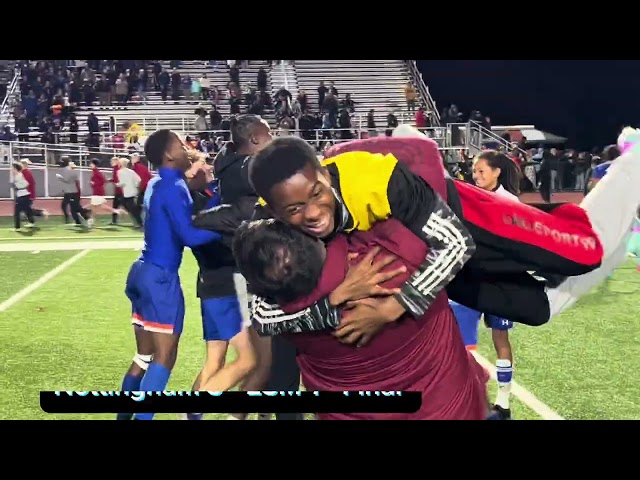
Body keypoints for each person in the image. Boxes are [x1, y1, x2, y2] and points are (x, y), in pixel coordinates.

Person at [238, 132, 601, 339]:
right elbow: (263, 316)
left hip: (455, 212)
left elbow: (456, 242)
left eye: (316, 193)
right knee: (533, 310)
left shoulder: (371, 178)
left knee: (581, 254)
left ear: (324, 174)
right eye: (294, 210)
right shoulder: (268, 221)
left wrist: (390, 309)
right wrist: (337, 298)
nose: (313, 214)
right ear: (272, 209)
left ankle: (562, 217)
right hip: (416, 256)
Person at [232, 217, 490, 420]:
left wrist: (333, 301)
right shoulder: (387, 251)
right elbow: (452, 237)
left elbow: (262, 315)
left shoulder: (285, 316)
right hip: (442, 402)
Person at [192, 114, 302, 421]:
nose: (271, 141)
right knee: (260, 362)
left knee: (246, 361)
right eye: (267, 135)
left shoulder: (229, 167)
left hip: (234, 276)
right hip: (249, 278)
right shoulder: (247, 171)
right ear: (254, 139)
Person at [118, 129, 222, 421]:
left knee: (144, 356)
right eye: (179, 145)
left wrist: (205, 189)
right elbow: (189, 235)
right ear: (168, 155)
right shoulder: (173, 188)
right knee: (165, 357)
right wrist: (227, 225)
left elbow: (179, 200)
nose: (185, 148)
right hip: (160, 279)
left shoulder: (157, 183)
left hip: (140, 272)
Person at [449, 150, 521, 420]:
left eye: (482, 171)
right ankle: (472, 400)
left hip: (499, 282)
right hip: (469, 280)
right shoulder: (467, 196)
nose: (476, 176)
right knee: (463, 343)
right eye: (475, 172)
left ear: (497, 172)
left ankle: (503, 402)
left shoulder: (510, 202)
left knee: (501, 338)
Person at [88, 159, 121, 227]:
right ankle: (91, 220)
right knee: (95, 206)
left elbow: (103, 181)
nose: (90, 165)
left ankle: (115, 211)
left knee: (98, 206)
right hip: (97, 191)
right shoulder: (95, 172)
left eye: (91, 164)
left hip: (98, 191)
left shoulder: (97, 172)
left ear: (94, 165)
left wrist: (94, 184)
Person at [11, 162, 36, 230]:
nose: (12, 170)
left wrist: (18, 187)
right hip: (23, 195)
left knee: (17, 212)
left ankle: (17, 227)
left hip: (22, 196)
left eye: (13, 168)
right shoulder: (18, 175)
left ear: (16, 168)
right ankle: (32, 222)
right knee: (28, 210)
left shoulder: (19, 175)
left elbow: (26, 184)